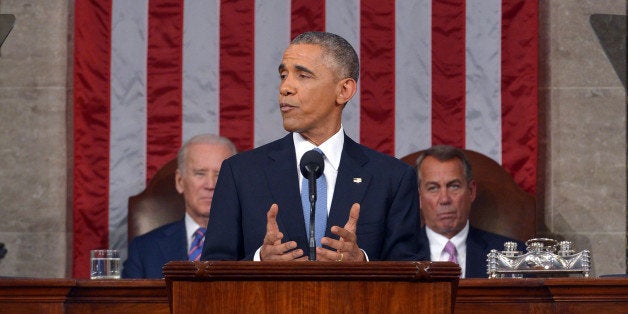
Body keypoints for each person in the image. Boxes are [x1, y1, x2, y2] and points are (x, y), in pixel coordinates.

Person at [201, 31, 421, 262]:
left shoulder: (392, 178)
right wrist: (259, 262)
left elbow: (411, 276)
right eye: (283, 75)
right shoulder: (240, 173)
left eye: (303, 76)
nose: (285, 87)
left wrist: (362, 263)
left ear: (343, 90)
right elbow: (212, 272)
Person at [122, 134, 237, 278]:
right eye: (200, 173)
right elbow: (129, 300)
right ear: (180, 181)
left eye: (220, 174)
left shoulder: (255, 247)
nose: (210, 185)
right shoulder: (144, 249)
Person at [414, 145, 525, 278]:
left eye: (454, 186)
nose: (444, 199)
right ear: (419, 197)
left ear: (471, 191)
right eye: (433, 188)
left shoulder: (514, 257)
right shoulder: (398, 257)